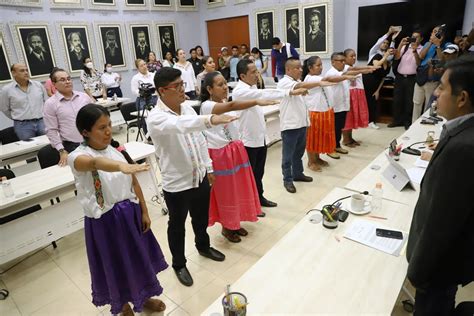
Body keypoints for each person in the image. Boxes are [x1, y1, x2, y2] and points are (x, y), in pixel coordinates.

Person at [68, 104, 168, 315]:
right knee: (115, 263)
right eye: (101, 127)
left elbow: (134, 183)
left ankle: (144, 296)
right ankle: (123, 305)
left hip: (129, 215)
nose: (108, 131)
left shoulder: (116, 150)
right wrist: (120, 166)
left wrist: (144, 211)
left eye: (110, 125)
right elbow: (94, 163)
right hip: (105, 222)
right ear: (85, 132)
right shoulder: (77, 156)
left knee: (137, 258)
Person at [146, 67, 235, 287]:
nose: (181, 90)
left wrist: (209, 167)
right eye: (176, 86)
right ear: (162, 91)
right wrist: (211, 119)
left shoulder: (187, 108)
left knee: (201, 217)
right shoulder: (156, 117)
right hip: (176, 181)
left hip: (199, 175)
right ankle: (179, 263)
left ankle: (203, 246)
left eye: (182, 84)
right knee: (177, 225)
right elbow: (180, 127)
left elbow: (199, 139)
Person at [406, 55, 474, 315]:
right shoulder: (461, 132)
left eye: (442, 88)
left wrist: (418, 272)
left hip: (439, 267)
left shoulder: (464, 148)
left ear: (462, 98)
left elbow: (443, 222)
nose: (435, 93)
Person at [200, 71, 277, 242]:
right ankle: (227, 227)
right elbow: (231, 106)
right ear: (209, 89)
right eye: (220, 85)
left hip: (234, 149)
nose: (225, 87)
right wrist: (256, 101)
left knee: (238, 188)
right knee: (226, 192)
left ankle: (235, 222)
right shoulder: (207, 106)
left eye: (225, 83)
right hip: (220, 153)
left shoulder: (222, 101)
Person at [232, 59, 308, 206]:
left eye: (257, 70)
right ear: (242, 76)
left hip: (260, 139)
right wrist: (290, 92)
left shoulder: (252, 86)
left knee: (259, 173)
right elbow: (265, 93)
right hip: (248, 141)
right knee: (250, 175)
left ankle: (259, 199)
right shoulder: (240, 91)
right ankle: (250, 204)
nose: (257, 74)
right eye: (253, 72)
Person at [277, 58, 335, 193]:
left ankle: (298, 174)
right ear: (288, 70)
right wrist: (319, 82)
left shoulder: (297, 82)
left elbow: (301, 91)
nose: (300, 70)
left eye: (300, 67)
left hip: (302, 123)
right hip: (290, 126)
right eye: (297, 68)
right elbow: (298, 87)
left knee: (299, 153)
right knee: (288, 156)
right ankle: (288, 180)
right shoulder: (284, 82)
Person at [303, 56, 354, 171]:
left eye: (321, 65)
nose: (321, 67)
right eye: (318, 65)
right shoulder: (310, 79)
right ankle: (311, 161)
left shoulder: (318, 77)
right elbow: (330, 79)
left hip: (325, 111)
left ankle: (317, 158)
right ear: (310, 68)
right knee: (313, 138)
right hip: (315, 112)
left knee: (321, 137)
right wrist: (345, 76)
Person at [325, 52, 374, 158]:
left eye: (344, 61)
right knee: (333, 128)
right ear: (333, 62)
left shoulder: (342, 71)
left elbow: (352, 70)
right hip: (335, 106)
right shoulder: (331, 72)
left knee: (339, 127)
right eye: (341, 61)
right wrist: (362, 71)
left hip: (343, 105)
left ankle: (337, 145)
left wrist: (367, 68)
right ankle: (329, 148)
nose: (343, 63)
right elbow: (343, 75)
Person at [43, 68, 91, 166]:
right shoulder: (50, 104)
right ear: (54, 84)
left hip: (92, 141)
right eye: (62, 80)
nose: (67, 82)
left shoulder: (84, 97)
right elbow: (51, 130)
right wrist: (61, 151)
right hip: (72, 146)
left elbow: (95, 119)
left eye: (68, 79)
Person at [412, 25, 452, 122]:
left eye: (435, 32)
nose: (432, 34)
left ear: (441, 35)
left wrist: (438, 45)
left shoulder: (447, 45)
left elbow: (442, 61)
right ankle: (413, 125)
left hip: (433, 79)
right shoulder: (427, 43)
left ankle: (424, 126)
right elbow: (421, 56)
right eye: (432, 32)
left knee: (429, 106)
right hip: (421, 77)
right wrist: (430, 43)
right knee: (417, 103)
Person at [0, 63, 48, 140]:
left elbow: (46, 102)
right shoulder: (6, 90)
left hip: (42, 122)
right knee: (29, 149)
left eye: (26, 70)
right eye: (22, 71)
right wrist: (18, 116)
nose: (26, 72)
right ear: (13, 73)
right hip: (22, 126)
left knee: (48, 144)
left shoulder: (38, 85)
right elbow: (4, 108)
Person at [389, 31, 423, 129]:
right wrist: (400, 44)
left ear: (421, 39)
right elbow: (396, 57)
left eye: (416, 37)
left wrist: (415, 50)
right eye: (412, 37)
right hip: (399, 77)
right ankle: (396, 120)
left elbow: (419, 63)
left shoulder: (422, 49)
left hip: (412, 78)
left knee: (409, 100)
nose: (414, 39)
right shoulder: (405, 47)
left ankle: (407, 121)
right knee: (397, 99)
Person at [341, 48, 375, 147]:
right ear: (345, 58)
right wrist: (367, 69)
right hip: (350, 94)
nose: (354, 58)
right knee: (348, 117)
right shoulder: (345, 67)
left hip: (358, 92)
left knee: (353, 117)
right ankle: (345, 140)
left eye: (355, 55)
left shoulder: (353, 67)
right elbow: (357, 71)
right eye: (351, 56)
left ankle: (350, 138)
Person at [363, 37, 395, 129]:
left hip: (376, 84)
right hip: (367, 81)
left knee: (373, 101)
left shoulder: (388, 63)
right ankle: (367, 121)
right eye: (383, 42)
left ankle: (371, 121)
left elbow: (383, 77)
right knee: (367, 101)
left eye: (387, 43)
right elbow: (376, 65)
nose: (385, 44)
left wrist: (378, 90)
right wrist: (385, 56)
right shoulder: (377, 56)